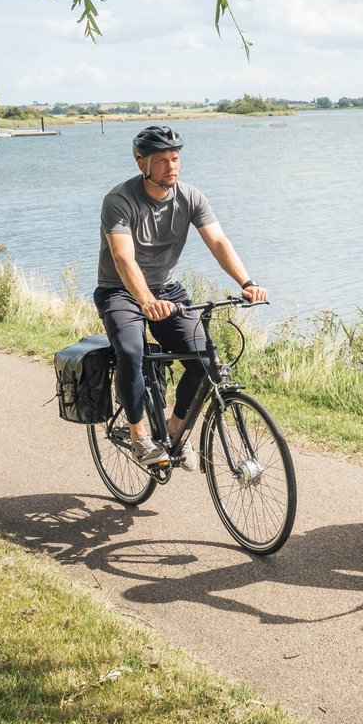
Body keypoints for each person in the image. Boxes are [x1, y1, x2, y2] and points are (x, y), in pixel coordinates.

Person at [94, 125, 267, 467]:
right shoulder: (119, 201)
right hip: (120, 291)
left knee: (204, 360)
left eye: (175, 159)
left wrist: (247, 281)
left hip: (167, 291)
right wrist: (144, 300)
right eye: (161, 161)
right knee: (131, 351)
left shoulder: (191, 197)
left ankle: (173, 432)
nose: (171, 166)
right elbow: (122, 258)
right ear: (141, 163)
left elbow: (218, 242)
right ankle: (139, 435)